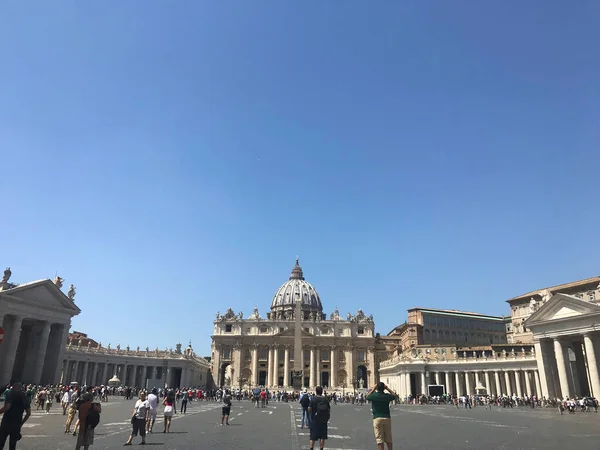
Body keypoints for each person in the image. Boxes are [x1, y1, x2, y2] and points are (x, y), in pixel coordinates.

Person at [366, 382, 398, 450]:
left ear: (377, 388)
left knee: (379, 439)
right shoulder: (386, 396)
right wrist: (387, 388)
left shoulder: (374, 396)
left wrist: (373, 388)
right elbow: (394, 395)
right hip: (387, 418)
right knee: (389, 438)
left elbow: (367, 396)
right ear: (384, 388)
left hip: (377, 418)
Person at [0, 382, 31, 450]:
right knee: (12, 445)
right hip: (17, 423)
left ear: (13, 388)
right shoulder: (24, 397)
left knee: (1, 442)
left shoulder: (11, 394)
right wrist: (21, 423)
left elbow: (7, 407)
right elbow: (28, 413)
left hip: (6, 422)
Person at [308, 386, 330, 450]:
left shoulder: (313, 399)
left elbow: (309, 409)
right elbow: (328, 409)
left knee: (312, 437)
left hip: (315, 420)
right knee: (322, 437)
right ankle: (321, 449)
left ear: (316, 391)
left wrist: (311, 413)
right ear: (322, 391)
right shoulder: (325, 399)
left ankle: (311, 448)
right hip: (323, 420)